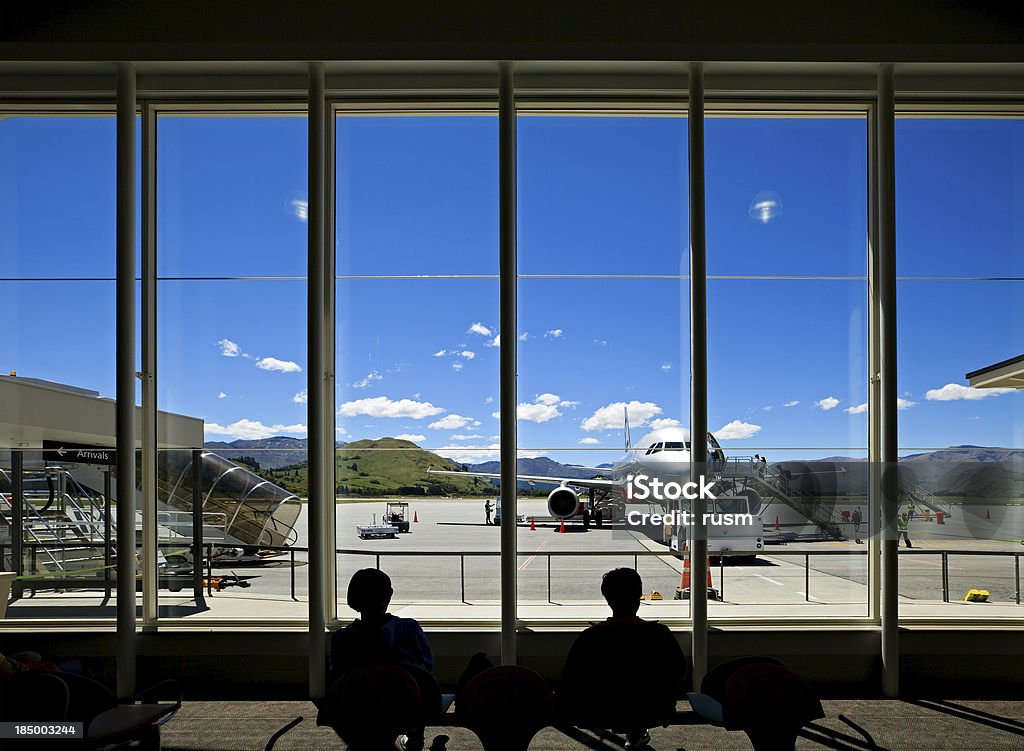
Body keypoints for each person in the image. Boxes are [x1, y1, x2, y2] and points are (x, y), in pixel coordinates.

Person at [559, 568, 687, 750]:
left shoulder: (590, 638)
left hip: (599, 711)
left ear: (608, 599)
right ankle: (636, 731)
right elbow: (679, 672)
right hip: (653, 709)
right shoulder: (660, 635)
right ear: (638, 597)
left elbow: (569, 680)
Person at [328, 569, 435, 751]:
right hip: (407, 709)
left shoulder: (342, 638)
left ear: (353, 599)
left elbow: (336, 677)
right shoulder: (409, 629)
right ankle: (415, 739)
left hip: (360, 711)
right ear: (389, 595)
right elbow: (427, 667)